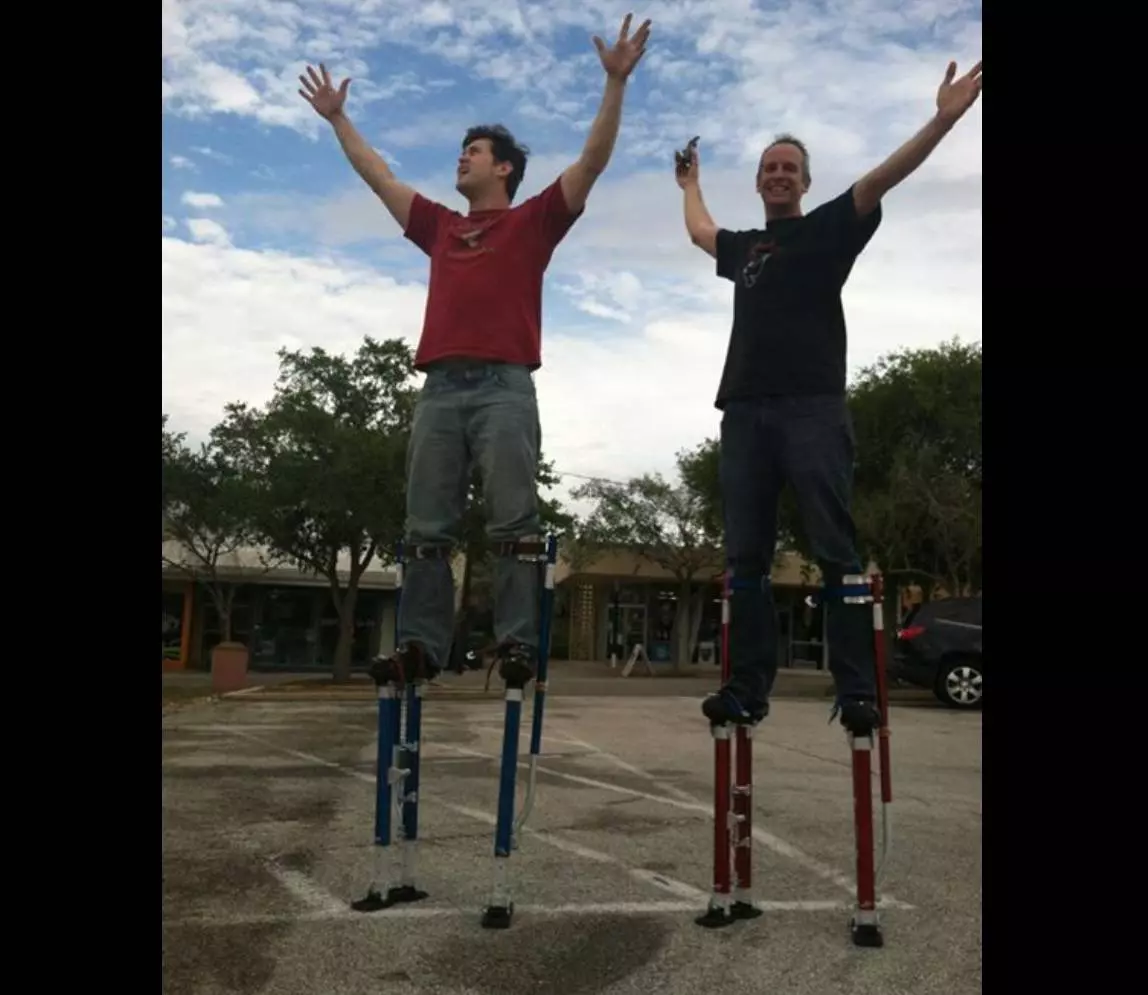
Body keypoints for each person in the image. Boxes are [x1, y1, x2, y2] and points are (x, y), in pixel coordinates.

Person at [298, 14, 652, 688]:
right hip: (439, 390)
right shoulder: (438, 226)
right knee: (426, 526)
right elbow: (379, 179)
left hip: (504, 388)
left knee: (515, 523)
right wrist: (338, 120)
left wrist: (614, 83)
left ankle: (517, 643)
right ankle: (422, 647)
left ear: (505, 168)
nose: (462, 157)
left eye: (475, 151)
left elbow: (594, 162)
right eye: (463, 151)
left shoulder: (533, 221)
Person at [674, 59, 982, 735]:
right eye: (769, 167)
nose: (778, 174)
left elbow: (882, 176)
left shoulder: (829, 229)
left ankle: (857, 690)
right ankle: (746, 687)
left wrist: (943, 119)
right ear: (758, 181)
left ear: (805, 183)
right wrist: (690, 184)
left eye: (789, 168)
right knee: (744, 558)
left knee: (836, 552)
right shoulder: (747, 247)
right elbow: (700, 232)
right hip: (746, 413)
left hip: (812, 407)